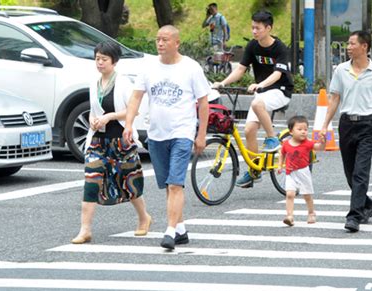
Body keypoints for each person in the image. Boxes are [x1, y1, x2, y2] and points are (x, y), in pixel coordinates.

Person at [123, 25, 210, 250]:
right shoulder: (148, 67)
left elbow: (203, 103)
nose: (160, 44)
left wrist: (201, 135)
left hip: (182, 132)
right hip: (156, 134)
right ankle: (180, 230)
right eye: (158, 40)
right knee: (167, 185)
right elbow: (136, 97)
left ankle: (169, 232)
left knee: (175, 184)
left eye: (165, 40)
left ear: (177, 43)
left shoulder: (191, 68)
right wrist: (129, 124)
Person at [71, 41, 152, 244]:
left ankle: (144, 217)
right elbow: (94, 110)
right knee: (91, 182)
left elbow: (133, 110)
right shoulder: (94, 83)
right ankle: (85, 229)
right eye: (97, 58)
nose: (99, 63)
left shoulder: (123, 83)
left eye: (104, 59)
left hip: (120, 141)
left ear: (114, 61)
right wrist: (93, 119)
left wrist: (110, 117)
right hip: (98, 141)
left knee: (128, 182)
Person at [320, 30, 372, 233]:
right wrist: (325, 124)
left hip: (368, 126)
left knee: (360, 172)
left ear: (364, 47)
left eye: (352, 43)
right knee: (350, 173)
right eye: (348, 43)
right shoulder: (341, 70)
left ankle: (354, 216)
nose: (348, 47)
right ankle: (366, 204)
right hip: (346, 125)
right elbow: (334, 97)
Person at [213, 10, 294, 188]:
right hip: (262, 93)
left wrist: (260, 85)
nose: (254, 31)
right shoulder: (252, 46)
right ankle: (254, 171)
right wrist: (223, 82)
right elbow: (241, 69)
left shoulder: (279, 48)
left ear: (268, 28)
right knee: (249, 130)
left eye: (257, 28)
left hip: (280, 91)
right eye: (252, 28)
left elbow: (277, 74)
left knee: (257, 102)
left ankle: (272, 138)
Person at [278, 115, 326, 226]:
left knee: (307, 195)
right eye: (299, 129)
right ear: (291, 131)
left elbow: (319, 147)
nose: (303, 132)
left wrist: (323, 142)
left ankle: (311, 212)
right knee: (290, 194)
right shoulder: (286, 144)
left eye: (305, 129)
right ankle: (289, 216)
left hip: (303, 172)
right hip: (290, 173)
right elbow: (282, 153)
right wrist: (280, 165)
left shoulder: (307, 143)